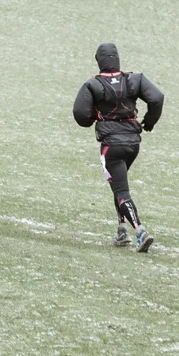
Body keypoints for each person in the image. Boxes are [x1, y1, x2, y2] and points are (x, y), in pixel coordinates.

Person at [72, 42, 165, 252]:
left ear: (99, 61)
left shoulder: (93, 85)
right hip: (133, 144)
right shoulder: (134, 79)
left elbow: (80, 114)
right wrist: (149, 122)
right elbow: (157, 98)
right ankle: (122, 232)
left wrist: (92, 120)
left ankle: (140, 232)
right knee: (118, 184)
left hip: (111, 145)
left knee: (121, 190)